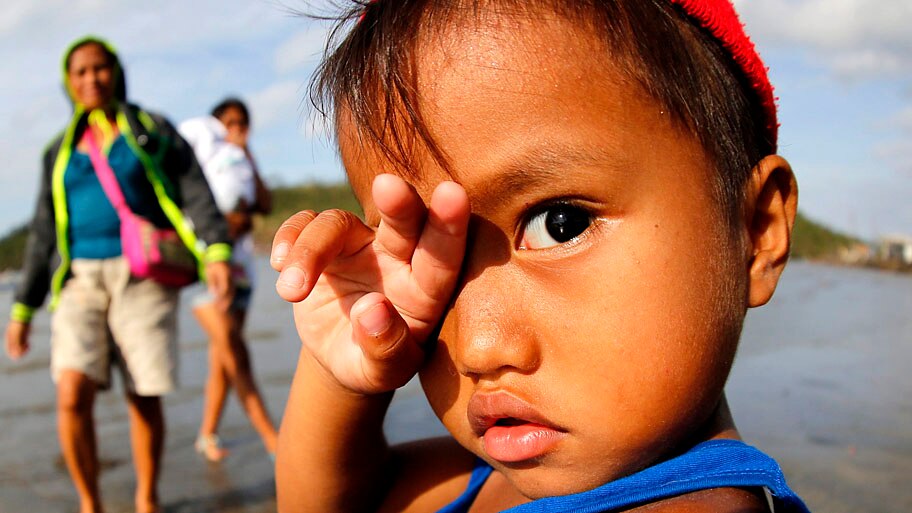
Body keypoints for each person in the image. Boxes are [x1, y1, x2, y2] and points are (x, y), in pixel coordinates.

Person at [272, 1, 811, 512]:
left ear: (756, 230)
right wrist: (345, 366)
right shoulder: (491, 478)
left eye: (561, 224)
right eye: (425, 253)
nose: (478, 349)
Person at [4, 36, 233, 513]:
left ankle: (146, 499)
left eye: (99, 68)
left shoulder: (150, 129)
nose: (91, 79)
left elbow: (194, 186)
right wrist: (22, 309)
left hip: (144, 273)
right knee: (71, 391)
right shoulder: (59, 151)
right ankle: (90, 503)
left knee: (144, 392)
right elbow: (44, 231)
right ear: (69, 82)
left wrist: (215, 251)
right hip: (80, 279)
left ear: (116, 71)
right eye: (80, 72)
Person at [178, 98, 277, 461]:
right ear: (216, 122)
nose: (236, 127)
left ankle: (206, 436)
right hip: (205, 262)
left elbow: (265, 203)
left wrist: (247, 151)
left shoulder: (243, 159)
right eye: (230, 121)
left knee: (222, 357)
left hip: (242, 269)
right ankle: (272, 437)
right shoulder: (203, 146)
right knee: (234, 347)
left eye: (243, 122)